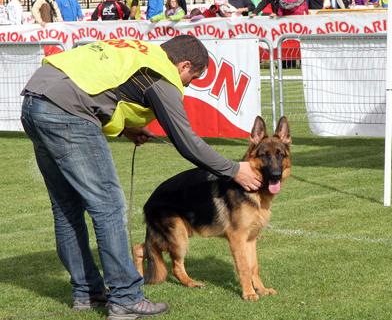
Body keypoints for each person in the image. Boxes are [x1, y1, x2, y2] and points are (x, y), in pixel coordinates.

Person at [20, 35, 262, 320]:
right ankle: (125, 297)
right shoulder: (161, 73)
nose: (188, 84)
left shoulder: (140, 50)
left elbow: (99, 88)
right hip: (68, 113)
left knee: (66, 210)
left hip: (34, 100)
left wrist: (125, 129)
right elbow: (187, 142)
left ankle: (87, 292)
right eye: (192, 78)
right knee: (108, 207)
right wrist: (235, 169)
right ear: (183, 66)